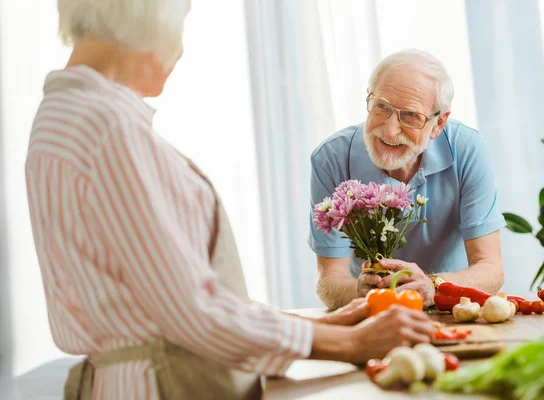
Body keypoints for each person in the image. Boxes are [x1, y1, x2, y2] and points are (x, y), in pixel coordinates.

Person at [25, 2, 435, 399]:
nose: (179, 50)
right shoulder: (110, 130)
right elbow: (195, 313)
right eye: (179, 26)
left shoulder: (59, 116)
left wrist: (335, 325)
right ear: (147, 18)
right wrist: (351, 344)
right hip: (164, 386)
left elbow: (154, 300)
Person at [309, 49, 506, 311]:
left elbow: (490, 269)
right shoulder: (330, 158)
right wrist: (359, 291)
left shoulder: (467, 148)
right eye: (381, 106)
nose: (389, 130)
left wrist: (432, 285)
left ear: (438, 124)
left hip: (449, 308)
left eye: (410, 115)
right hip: (372, 310)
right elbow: (329, 280)